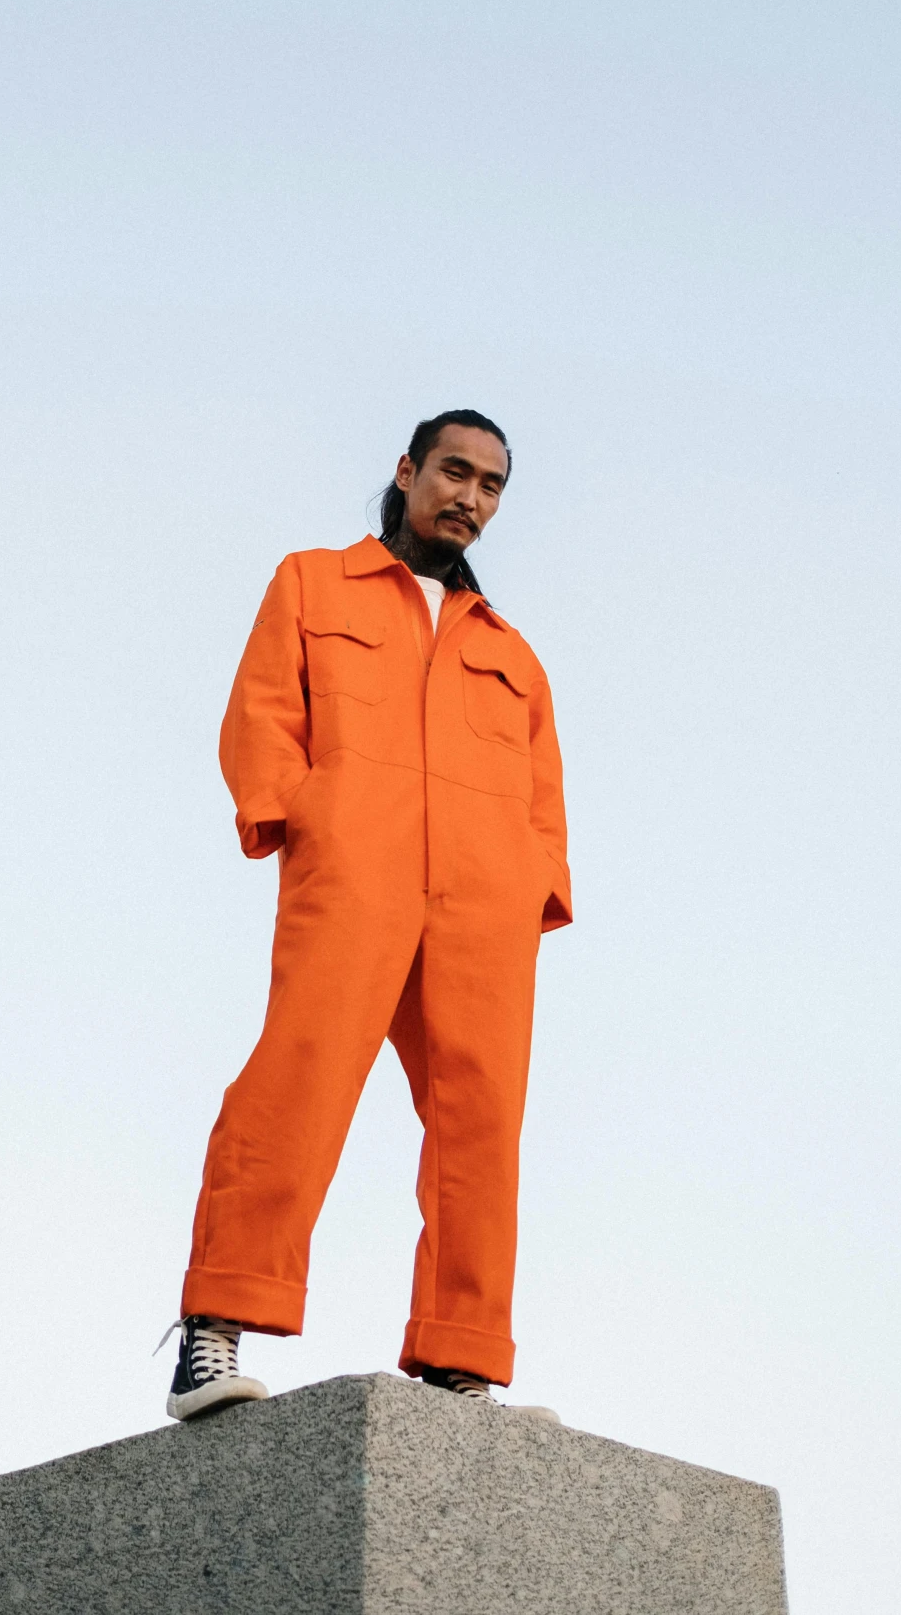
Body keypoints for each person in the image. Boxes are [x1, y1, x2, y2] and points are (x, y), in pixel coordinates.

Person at [167, 410, 570, 1421]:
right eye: (454, 472)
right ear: (407, 471)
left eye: (490, 485)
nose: (469, 498)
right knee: (295, 1079)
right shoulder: (314, 582)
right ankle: (216, 1330)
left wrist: (531, 885)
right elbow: (262, 708)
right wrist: (301, 815)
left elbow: (542, 792)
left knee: (482, 1126)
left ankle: (457, 1360)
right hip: (356, 869)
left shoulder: (514, 653)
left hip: (483, 902)